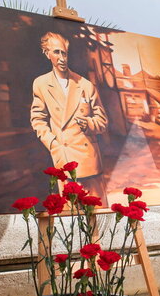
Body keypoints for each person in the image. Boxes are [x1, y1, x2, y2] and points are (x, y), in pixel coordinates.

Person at [30, 32, 109, 203]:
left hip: (88, 160)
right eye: (56, 52)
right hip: (63, 158)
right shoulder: (41, 84)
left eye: (64, 53)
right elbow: (38, 119)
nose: (62, 58)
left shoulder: (85, 85)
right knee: (71, 211)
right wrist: (53, 144)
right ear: (47, 54)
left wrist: (89, 123)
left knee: (96, 208)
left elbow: (102, 121)